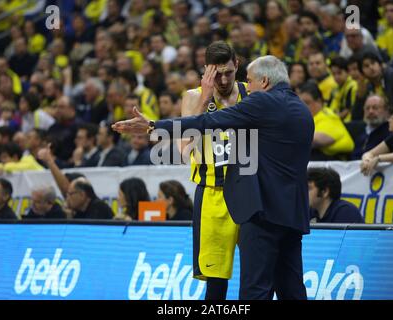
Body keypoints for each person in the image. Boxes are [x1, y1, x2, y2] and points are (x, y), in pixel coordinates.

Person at [113, 55, 314, 300]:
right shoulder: (303, 110)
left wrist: (154, 126)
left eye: (249, 82)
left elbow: (208, 121)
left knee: (255, 290)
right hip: (293, 214)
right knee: (292, 289)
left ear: (264, 81)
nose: (247, 88)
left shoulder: (262, 103)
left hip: (263, 214)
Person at [177, 41, 249, 300]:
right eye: (216, 74)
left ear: (237, 66)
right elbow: (184, 150)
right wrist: (205, 100)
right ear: (206, 71)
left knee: (259, 271)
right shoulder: (194, 97)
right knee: (216, 281)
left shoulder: (251, 94)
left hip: (250, 192)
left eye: (229, 72)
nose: (223, 79)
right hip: (213, 194)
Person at [297, 81, 354, 161]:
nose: (303, 107)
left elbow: (316, 140)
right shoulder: (307, 118)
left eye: (307, 102)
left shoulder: (329, 116)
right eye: (300, 103)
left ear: (319, 101)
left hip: (337, 166)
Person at [351, 95, 392, 160]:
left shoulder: (391, 133)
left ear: (386, 111)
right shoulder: (360, 133)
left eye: (375, 108)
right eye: (367, 108)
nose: (370, 111)